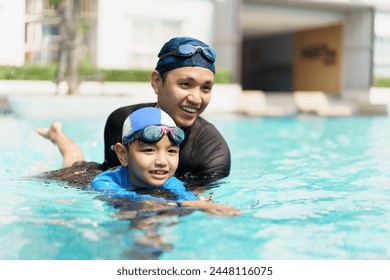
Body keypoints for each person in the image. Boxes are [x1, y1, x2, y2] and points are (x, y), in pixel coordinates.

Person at [37, 36, 230, 189]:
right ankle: (58, 135)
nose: (197, 99)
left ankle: (56, 133)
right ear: (156, 81)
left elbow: (195, 204)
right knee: (74, 166)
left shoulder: (212, 153)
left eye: (206, 88)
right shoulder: (122, 120)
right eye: (185, 84)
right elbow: (111, 173)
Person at [89, 107, 240, 216]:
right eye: (149, 150)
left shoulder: (170, 182)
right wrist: (182, 205)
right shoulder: (105, 182)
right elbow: (126, 200)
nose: (162, 161)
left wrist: (202, 204)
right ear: (123, 154)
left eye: (171, 151)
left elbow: (186, 197)